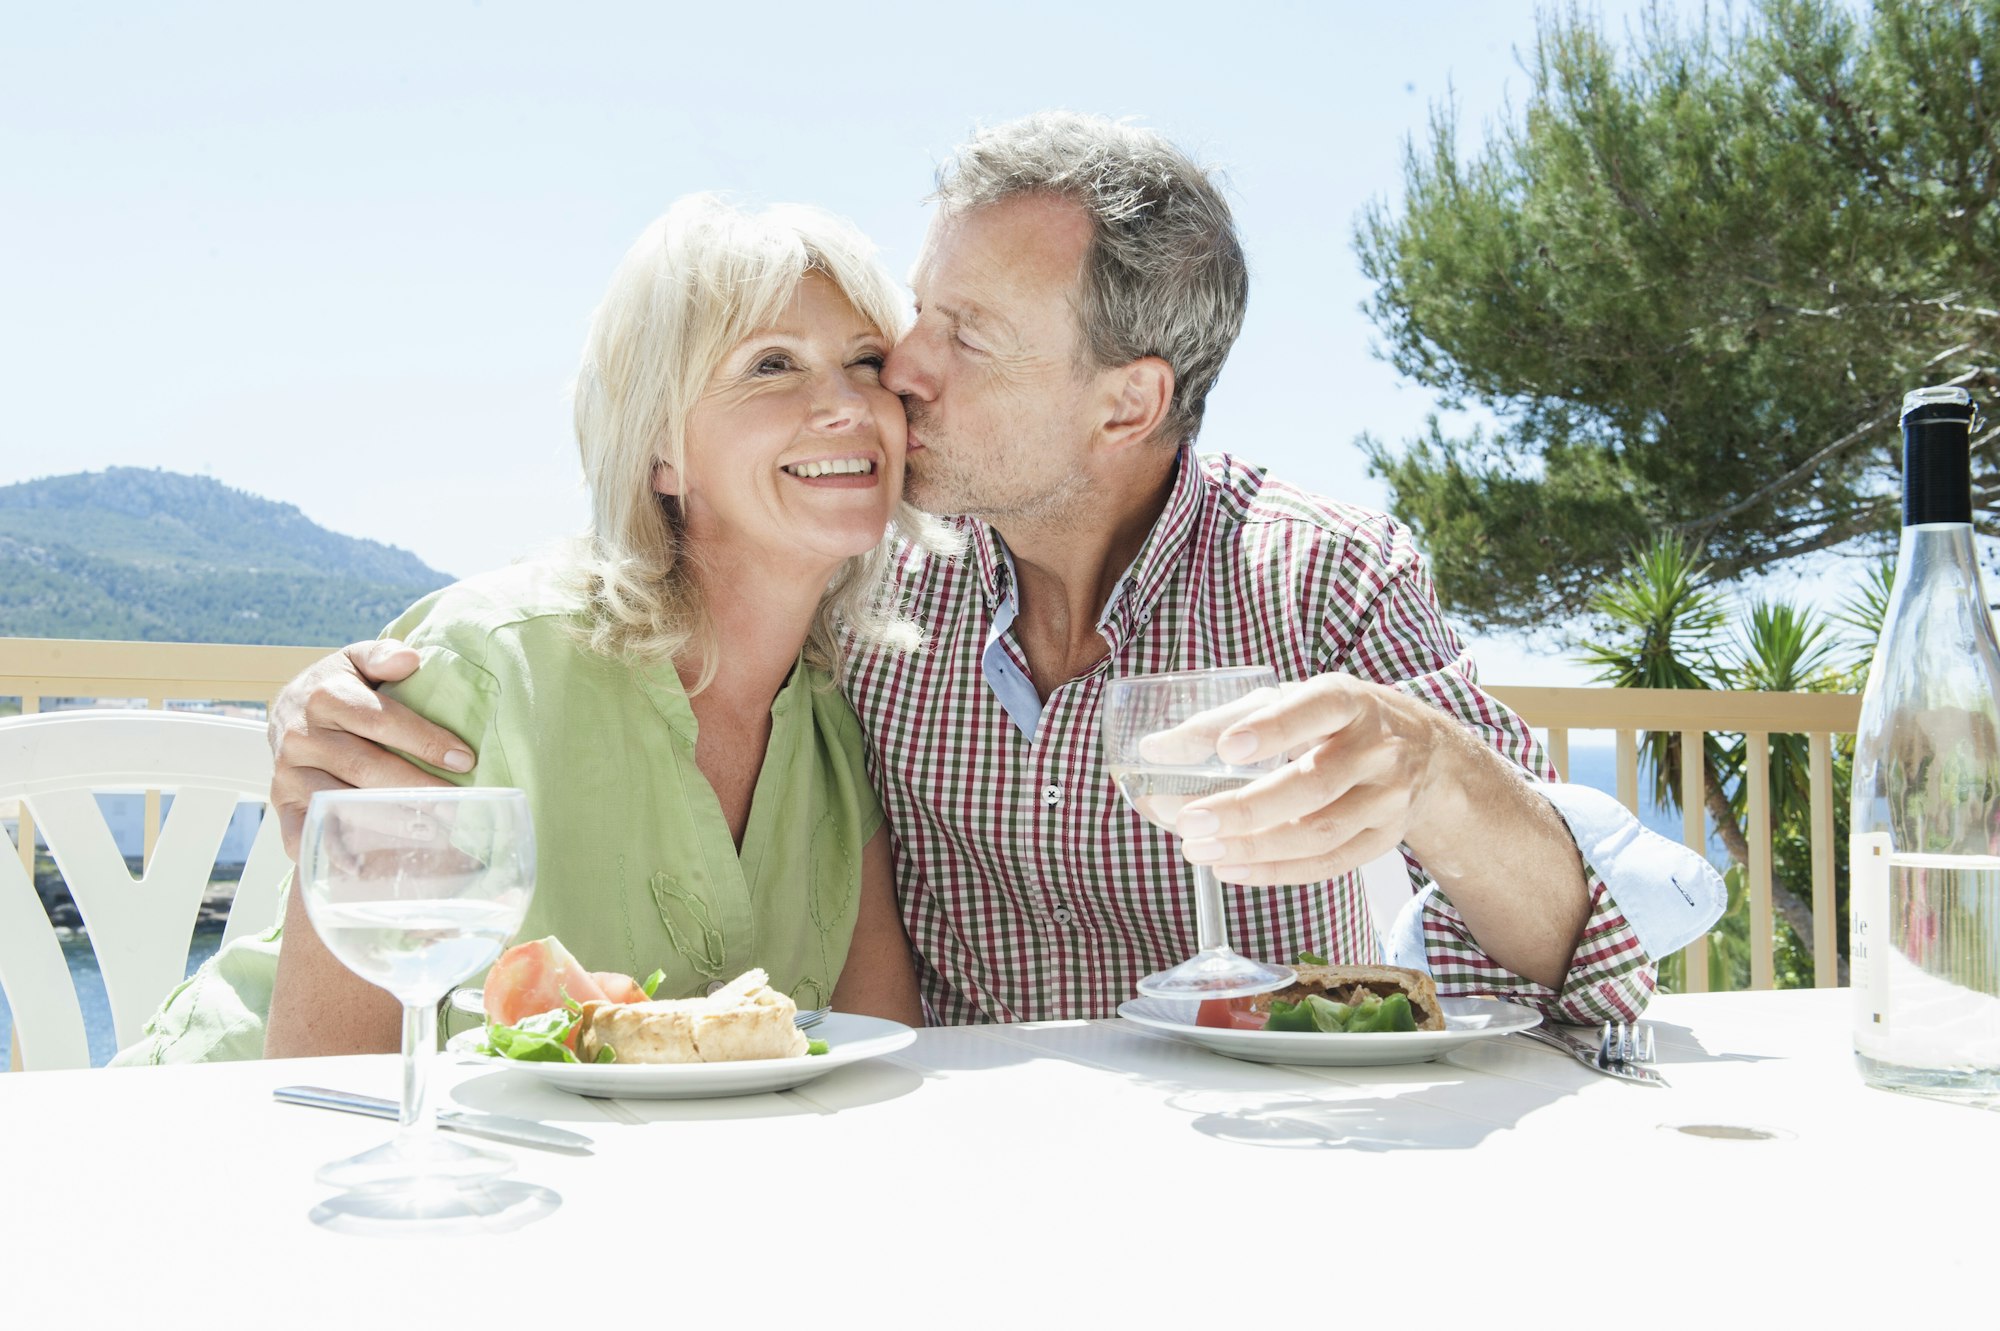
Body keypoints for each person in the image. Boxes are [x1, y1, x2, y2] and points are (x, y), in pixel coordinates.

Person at [266, 113, 1725, 1030]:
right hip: (962, 1175)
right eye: (919, 313)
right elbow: (645, 575)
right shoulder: (882, 593)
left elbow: (1584, 975)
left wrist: (1441, 774)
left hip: (1261, 1168)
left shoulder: (1318, 581)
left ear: (1126, 403)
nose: (900, 369)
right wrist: (327, 704)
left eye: (963, 333)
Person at [118, 195, 936, 1064]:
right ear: (662, 450)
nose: (846, 402)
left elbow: (881, 1058)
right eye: (772, 364)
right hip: (231, 1142)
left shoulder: (832, 726)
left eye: (867, 360)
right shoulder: (484, 666)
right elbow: (327, 1073)